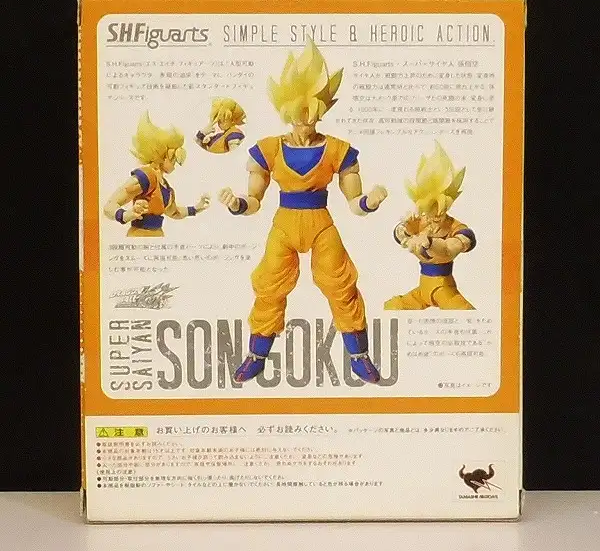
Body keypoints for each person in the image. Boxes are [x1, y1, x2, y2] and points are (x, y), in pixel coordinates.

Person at [219, 38, 387, 384]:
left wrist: (369, 201)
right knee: (269, 286)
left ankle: (359, 357)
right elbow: (254, 200)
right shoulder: (268, 149)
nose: (304, 119)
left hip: (321, 224)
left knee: (341, 285)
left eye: (312, 110)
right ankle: (256, 356)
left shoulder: (338, 149)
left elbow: (354, 202)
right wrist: (237, 204)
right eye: (297, 110)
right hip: (284, 225)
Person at [384, 141, 476, 310]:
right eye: (428, 213)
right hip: (422, 290)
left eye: (438, 213)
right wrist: (407, 231)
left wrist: (430, 243)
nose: (433, 218)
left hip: (444, 288)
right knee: (392, 306)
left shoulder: (456, 227)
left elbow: (450, 249)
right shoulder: (421, 221)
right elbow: (399, 234)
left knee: (462, 312)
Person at [104, 111, 210, 237]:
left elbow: (174, 212)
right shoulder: (146, 177)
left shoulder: (166, 187)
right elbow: (109, 207)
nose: (175, 163)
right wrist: (126, 215)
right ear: (163, 155)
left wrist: (196, 208)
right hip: (139, 236)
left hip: (158, 236)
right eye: (173, 158)